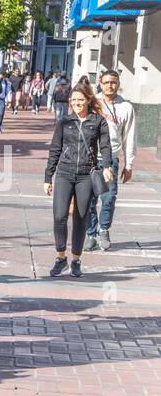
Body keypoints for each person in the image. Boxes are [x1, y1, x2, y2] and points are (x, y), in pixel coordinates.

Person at [44, 85, 112, 278]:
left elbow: (105, 146)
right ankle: (60, 258)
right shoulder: (65, 121)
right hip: (64, 173)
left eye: (80, 100)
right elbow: (55, 149)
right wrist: (48, 176)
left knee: (81, 218)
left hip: (85, 176)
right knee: (59, 217)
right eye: (73, 100)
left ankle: (75, 260)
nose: (76, 103)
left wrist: (106, 166)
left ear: (88, 100)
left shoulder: (98, 121)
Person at [86, 69, 136, 252]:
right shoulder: (92, 103)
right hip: (90, 159)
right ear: (100, 82)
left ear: (118, 84)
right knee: (89, 199)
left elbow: (130, 136)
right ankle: (91, 234)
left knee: (108, 198)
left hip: (111, 160)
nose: (110, 86)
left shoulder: (126, 107)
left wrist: (129, 164)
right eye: (106, 82)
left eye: (113, 82)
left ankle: (104, 229)